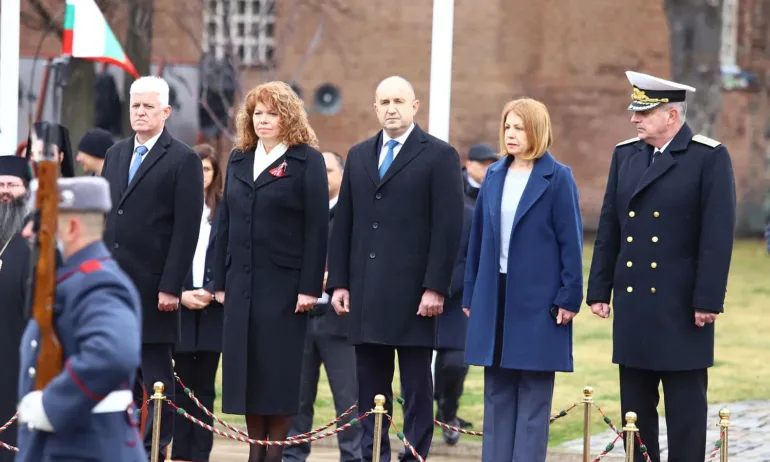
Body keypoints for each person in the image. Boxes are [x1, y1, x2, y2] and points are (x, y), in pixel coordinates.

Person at [586, 71, 736, 462]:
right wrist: (599, 289)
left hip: (681, 307)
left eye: (644, 112)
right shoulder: (625, 155)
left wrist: (708, 300)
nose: (634, 119)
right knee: (635, 410)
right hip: (635, 304)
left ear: (672, 115)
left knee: (685, 411)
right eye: (634, 111)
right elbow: (609, 227)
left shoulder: (708, 157)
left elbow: (716, 238)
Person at [328, 75, 464, 462]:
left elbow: (447, 228)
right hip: (367, 292)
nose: (391, 108)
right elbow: (345, 225)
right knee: (370, 384)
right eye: (384, 102)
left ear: (415, 106)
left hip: (415, 295)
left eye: (399, 101)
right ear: (375, 108)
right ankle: (375, 454)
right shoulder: (358, 155)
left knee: (417, 384)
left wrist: (436, 287)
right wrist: (339, 282)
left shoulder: (439, 155)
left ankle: (414, 455)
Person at [462, 98, 583, 462]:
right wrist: (471, 294)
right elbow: (478, 239)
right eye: (508, 127)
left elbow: (571, 242)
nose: (511, 134)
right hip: (494, 296)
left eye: (520, 127)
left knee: (532, 397)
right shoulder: (495, 174)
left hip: (539, 303)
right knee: (497, 393)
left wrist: (569, 296)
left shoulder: (558, 177)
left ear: (537, 131)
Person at [213, 81, 328, 462]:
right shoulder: (240, 157)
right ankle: (254, 453)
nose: (263, 120)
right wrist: (218, 281)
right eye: (257, 113)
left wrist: (310, 287)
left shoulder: (306, 160)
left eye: (272, 113)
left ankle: (274, 455)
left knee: (276, 375)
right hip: (241, 283)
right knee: (247, 372)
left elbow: (316, 228)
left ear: (288, 116)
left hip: (285, 287)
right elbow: (224, 224)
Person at [101, 75, 204, 460]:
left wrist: (171, 286)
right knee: (115, 368)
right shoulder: (115, 154)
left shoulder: (183, 159)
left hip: (153, 287)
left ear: (166, 111)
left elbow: (186, 229)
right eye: (135, 106)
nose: (140, 113)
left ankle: (155, 444)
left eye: (147, 106)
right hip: (113, 287)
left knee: (155, 372)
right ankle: (118, 442)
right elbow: (109, 216)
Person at [16, 176, 144, 462]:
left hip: (90, 449)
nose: (27, 232)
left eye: (39, 222)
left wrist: (52, 405)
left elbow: (113, 353)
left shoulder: (97, 282)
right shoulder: (72, 280)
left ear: (71, 227)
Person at [284, 151, 361, 462]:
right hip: (300, 317)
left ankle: (353, 456)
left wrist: (336, 279)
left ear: (342, 175)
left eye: (329, 170)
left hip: (339, 319)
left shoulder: (354, 214)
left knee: (348, 399)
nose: (322, 176)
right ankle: (292, 454)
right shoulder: (298, 213)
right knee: (297, 397)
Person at [171, 144, 224, 462]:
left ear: (215, 174)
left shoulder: (223, 209)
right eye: (196, 168)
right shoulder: (175, 205)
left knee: (204, 387)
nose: (201, 175)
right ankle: (179, 452)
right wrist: (180, 293)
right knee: (179, 386)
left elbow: (231, 253)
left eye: (207, 169)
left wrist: (212, 289)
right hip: (179, 307)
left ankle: (201, 453)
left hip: (212, 307)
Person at [0, 156, 33, 460]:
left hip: (17, 347)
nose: (5, 191)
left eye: (12, 184)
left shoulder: (33, 241)